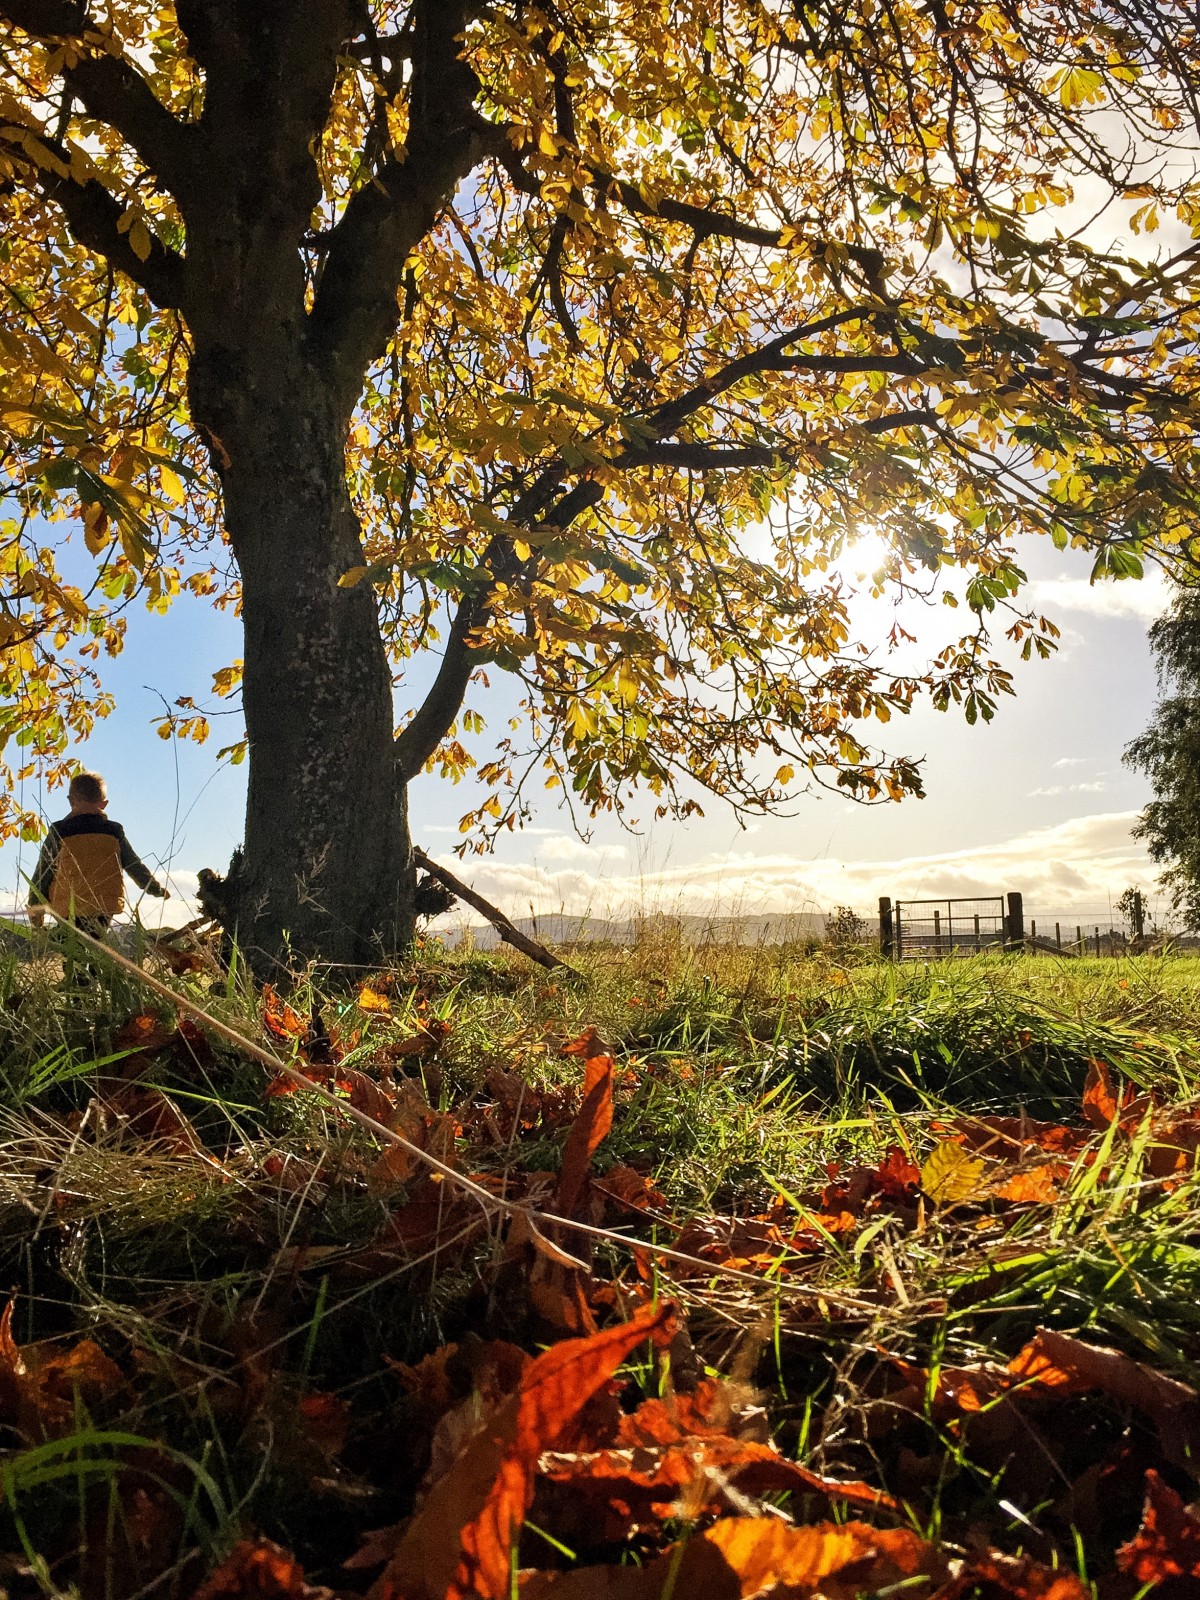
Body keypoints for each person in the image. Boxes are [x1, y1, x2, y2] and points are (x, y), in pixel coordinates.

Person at [27, 771, 169, 940]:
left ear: (71, 800)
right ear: (104, 804)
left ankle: (71, 959)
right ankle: (96, 966)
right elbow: (133, 865)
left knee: (71, 950)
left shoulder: (59, 831)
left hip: (69, 906)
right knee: (97, 943)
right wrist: (155, 888)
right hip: (104, 904)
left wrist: (35, 907)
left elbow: (43, 871)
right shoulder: (113, 831)